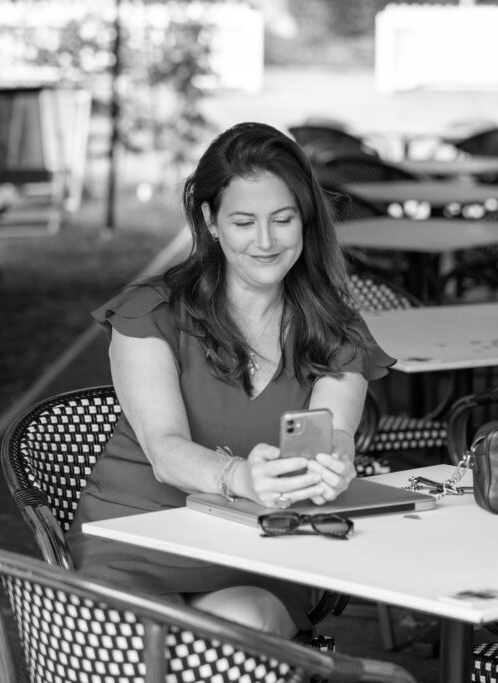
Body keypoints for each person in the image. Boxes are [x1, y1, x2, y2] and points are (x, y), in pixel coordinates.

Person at [65, 122, 395, 639]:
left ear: (305, 220)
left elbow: (329, 435)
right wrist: (240, 477)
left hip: (256, 545)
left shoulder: (334, 332)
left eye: (283, 219)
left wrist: (332, 466)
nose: (265, 241)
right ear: (210, 221)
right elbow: (165, 449)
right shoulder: (151, 311)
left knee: (248, 623)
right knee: (155, 641)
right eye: (244, 222)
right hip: (138, 536)